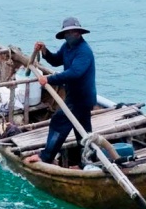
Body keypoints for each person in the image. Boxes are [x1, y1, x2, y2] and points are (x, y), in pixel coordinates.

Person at [27, 17, 97, 166]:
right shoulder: (67, 47)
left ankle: (46, 156)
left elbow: (74, 73)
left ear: (79, 33)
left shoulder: (84, 51)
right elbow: (55, 60)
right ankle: (88, 162)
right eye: (69, 32)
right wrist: (44, 51)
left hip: (81, 98)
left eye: (75, 31)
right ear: (65, 34)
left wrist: (49, 79)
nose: (73, 34)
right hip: (74, 96)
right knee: (83, 133)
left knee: (59, 122)